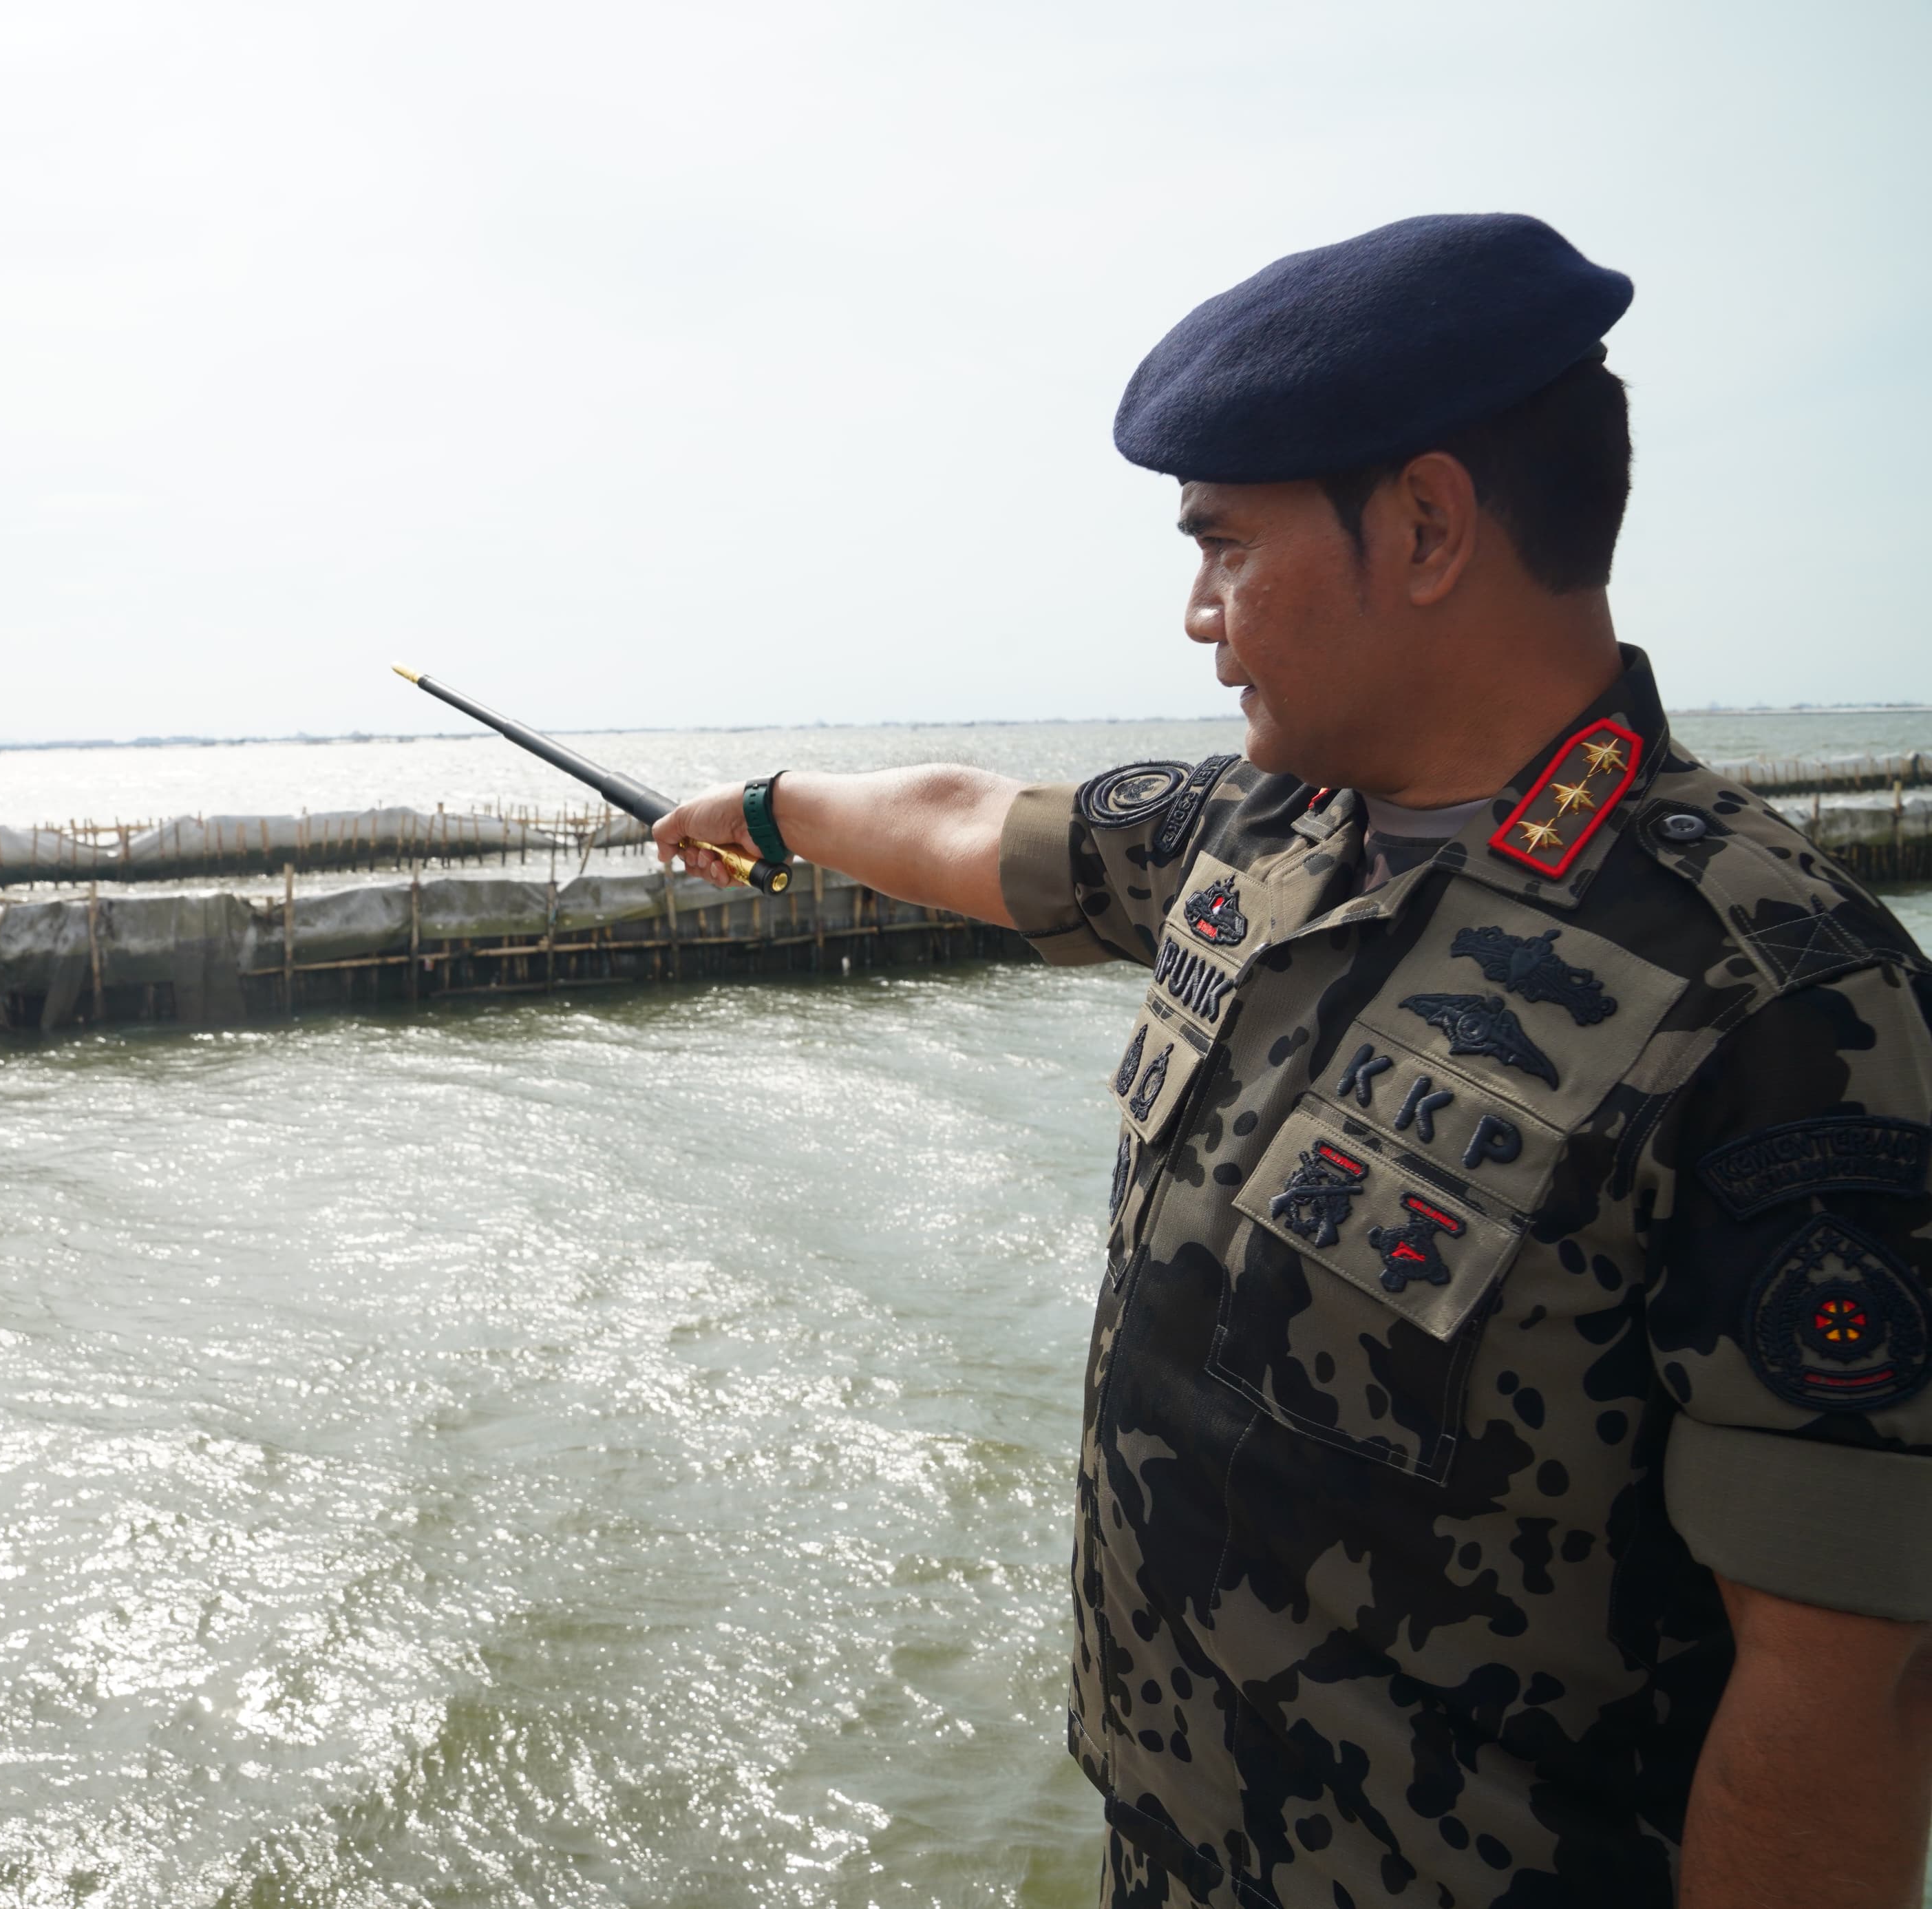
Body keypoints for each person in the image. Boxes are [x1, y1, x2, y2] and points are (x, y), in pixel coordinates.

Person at [654, 213, 1932, 1909]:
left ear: (1421, 525)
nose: (1196, 613)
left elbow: (1848, 1678)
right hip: (1168, 1850)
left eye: (1225, 546)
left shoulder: (1772, 998)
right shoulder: (1259, 836)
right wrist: (767, 811)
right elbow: (971, 826)